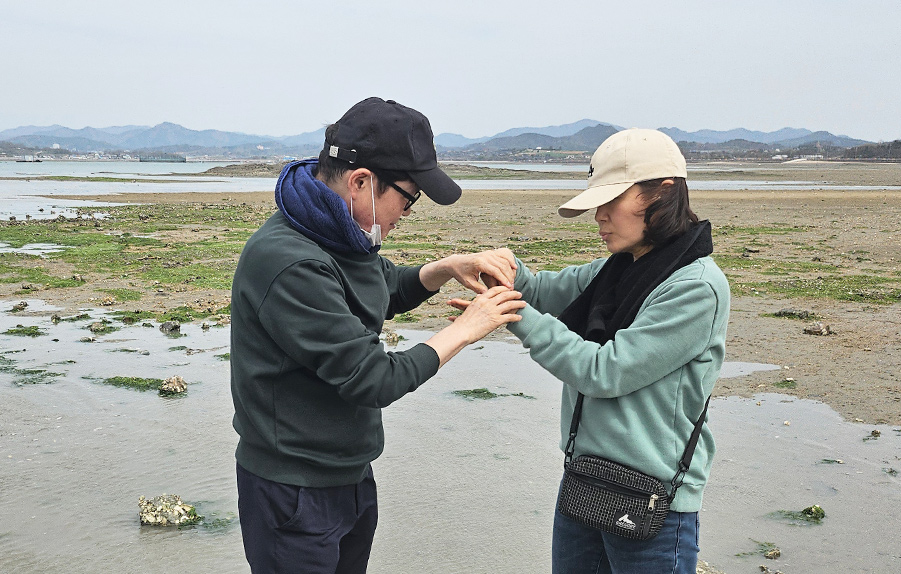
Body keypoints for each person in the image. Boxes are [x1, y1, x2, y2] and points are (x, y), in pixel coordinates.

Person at [230, 97, 525, 574]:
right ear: (362, 181)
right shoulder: (290, 260)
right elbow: (372, 380)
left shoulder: (336, 229)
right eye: (408, 198)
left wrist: (447, 268)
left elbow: (384, 287)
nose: (408, 212)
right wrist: (466, 330)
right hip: (293, 489)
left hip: (348, 473)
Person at [457, 128, 730, 573]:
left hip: (652, 500)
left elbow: (606, 372)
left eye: (609, 203)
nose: (598, 217)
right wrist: (506, 270)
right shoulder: (621, 266)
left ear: (662, 193)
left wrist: (512, 312)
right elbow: (548, 291)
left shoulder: (695, 288)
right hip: (586, 480)